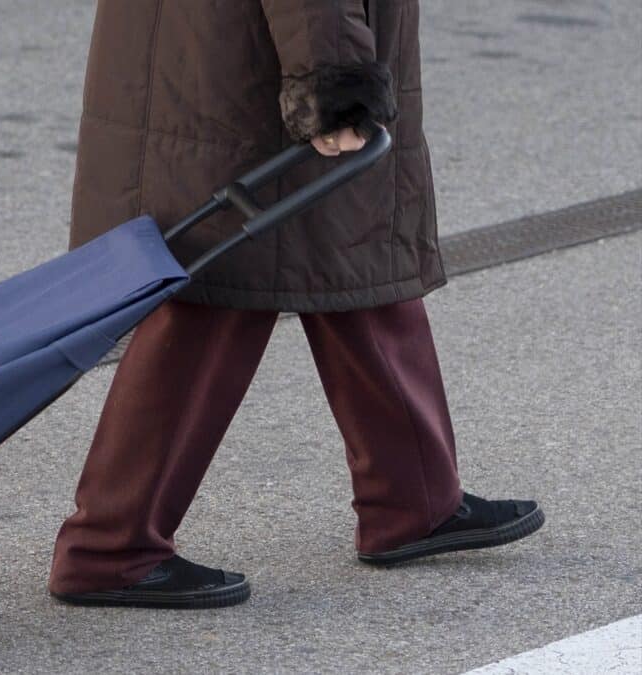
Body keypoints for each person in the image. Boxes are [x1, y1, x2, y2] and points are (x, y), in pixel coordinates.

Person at [48, 0, 544, 609]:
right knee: (223, 289)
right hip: (252, 68)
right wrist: (335, 83)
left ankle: (415, 499)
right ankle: (110, 547)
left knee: (352, 259)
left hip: (212, 49)